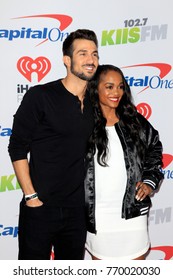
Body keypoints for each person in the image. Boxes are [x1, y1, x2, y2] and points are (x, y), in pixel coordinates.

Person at [8, 29, 99, 260]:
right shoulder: (40, 96)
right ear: (66, 60)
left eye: (95, 54)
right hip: (40, 207)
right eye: (83, 53)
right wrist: (31, 198)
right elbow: (17, 147)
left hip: (77, 211)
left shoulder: (96, 103)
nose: (91, 60)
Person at [84, 64, 164, 260]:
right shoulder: (83, 123)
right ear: (96, 88)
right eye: (109, 86)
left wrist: (149, 181)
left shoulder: (134, 122)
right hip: (97, 216)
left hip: (133, 215)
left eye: (120, 86)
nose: (116, 92)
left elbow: (154, 149)